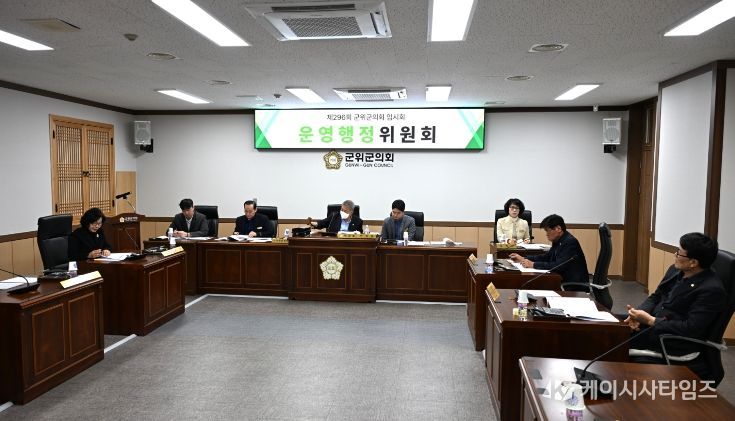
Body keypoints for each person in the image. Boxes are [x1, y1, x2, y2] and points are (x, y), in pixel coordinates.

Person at [626, 233, 725, 374]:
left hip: (671, 342)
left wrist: (650, 320)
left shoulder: (711, 289)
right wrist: (637, 316)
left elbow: (690, 328)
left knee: (610, 343)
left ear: (693, 262)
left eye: (679, 252)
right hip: (652, 327)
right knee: (607, 328)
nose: (675, 254)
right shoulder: (675, 270)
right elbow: (656, 296)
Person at [509, 214, 589, 288]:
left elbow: (559, 266)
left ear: (558, 229)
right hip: (560, 280)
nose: (546, 234)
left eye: (548, 230)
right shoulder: (558, 240)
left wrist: (533, 264)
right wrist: (524, 258)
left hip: (573, 286)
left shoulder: (570, 242)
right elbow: (546, 257)